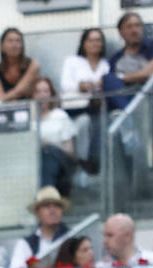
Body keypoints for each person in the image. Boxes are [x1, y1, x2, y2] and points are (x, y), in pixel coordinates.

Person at [61, 27, 108, 172]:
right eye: (91, 40)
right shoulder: (73, 61)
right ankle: (82, 161)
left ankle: (95, 161)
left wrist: (92, 87)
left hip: (97, 107)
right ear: (84, 43)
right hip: (75, 109)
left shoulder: (105, 64)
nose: (95, 43)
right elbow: (65, 85)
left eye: (98, 40)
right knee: (84, 122)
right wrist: (83, 86)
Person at [32, 77, 77, 200]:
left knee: (47, 153)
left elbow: (70, 151)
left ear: (51, 94)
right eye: (38, 91)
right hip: (32, 160)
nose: (42, 95)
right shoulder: (27, 119)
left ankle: (47, 199)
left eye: (46, 91)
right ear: (32, 95)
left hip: (58, 160)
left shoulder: (60, 116)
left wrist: (49, 144)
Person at [7, 187, 70, 268]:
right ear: (37, 212)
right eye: (46, 206)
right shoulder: (25, 244)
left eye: (57, 206)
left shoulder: (71, 239)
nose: (53, 210)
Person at [108, 11, 153, 91]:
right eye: (129, 27)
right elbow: (111, 83)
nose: (134, 30)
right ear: (120, 32)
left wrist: (123, 77)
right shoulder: (115, 59)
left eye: (137, 25)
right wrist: (143, 73)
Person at [0, 27, 40, 103]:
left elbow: (20, 91)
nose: (14, 45)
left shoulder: (33, 65)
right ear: (2, 46)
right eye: (10, 41)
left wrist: (2, 100)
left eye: (18, 41)